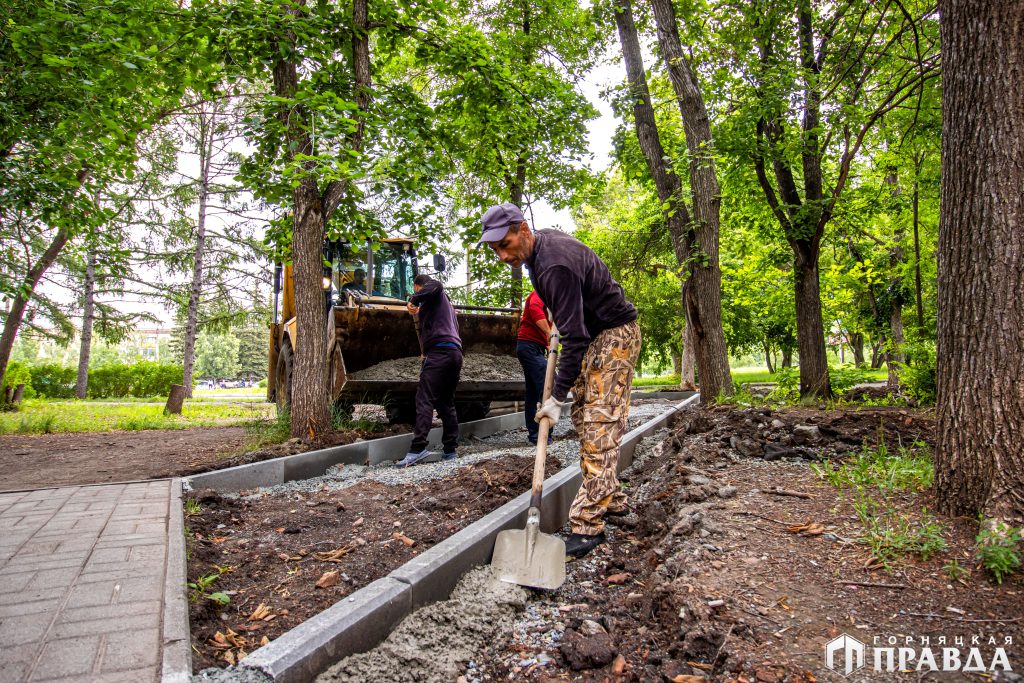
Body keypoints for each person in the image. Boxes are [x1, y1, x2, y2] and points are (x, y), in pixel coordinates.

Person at [480, 202, 642, 558]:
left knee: (600, 424)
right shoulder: (541, 251)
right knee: (587, 420)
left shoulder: (553, 264)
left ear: (523, 229)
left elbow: (577, 338)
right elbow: (570, 312)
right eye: (495, 249)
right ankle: (611, 498)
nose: (502, 256)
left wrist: (555, 399)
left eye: (504, 245)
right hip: (597, 335)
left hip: (613, 336)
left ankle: (587, 527)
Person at [396, 274, 463, 467]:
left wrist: (414, 299)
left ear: (418, 286)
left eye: (416, 290)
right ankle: (450, 450)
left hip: (441, 352)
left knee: (424, 399)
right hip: (454, 353)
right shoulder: (446, 306)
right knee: (445, 402)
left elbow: (436, 284)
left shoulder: (434, 292)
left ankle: (418, 448)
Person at [517, 289, 553, 446]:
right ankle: (544, 434)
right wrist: (549, 333)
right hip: (528, 346)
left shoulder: (552, 301)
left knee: (533, 392)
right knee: (547, 385)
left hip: (535, 348)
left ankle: (535, 435)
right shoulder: (539, 293)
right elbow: (534, 309)